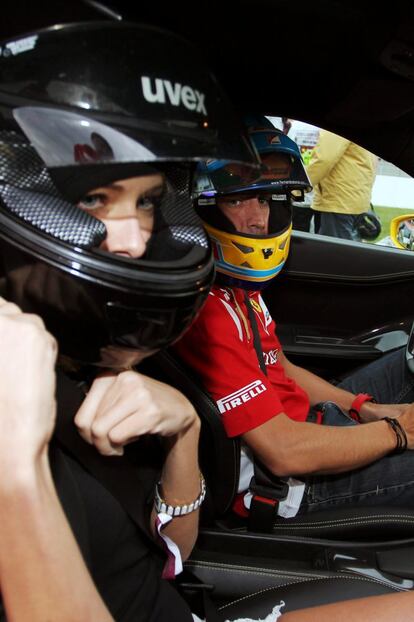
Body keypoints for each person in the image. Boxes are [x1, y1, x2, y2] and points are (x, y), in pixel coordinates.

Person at [2, 8, 414, 622]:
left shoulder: (109, 350)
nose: (135, 241)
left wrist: (186, 432)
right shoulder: (30, 404)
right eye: (93, 199)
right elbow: (279, 452)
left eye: (145, 204)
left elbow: (167, 558)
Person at [174, 114, 414, 527]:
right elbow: (283, 452)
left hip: (306, 424)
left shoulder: (239, 290)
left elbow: (281, 368)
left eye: (265, 199)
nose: (257, 219)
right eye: (237, 200)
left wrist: (365, 409)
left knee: (402, 364)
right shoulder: (209, 313)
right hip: (286, 483)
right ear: (201, 206)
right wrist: (397, 431)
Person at [306, 129, 378, 240]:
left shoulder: (339, 122)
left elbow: (323, 160)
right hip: (353, 199)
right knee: (346, 251)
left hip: (338, 201)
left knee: (333, 253)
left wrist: (297, 187)